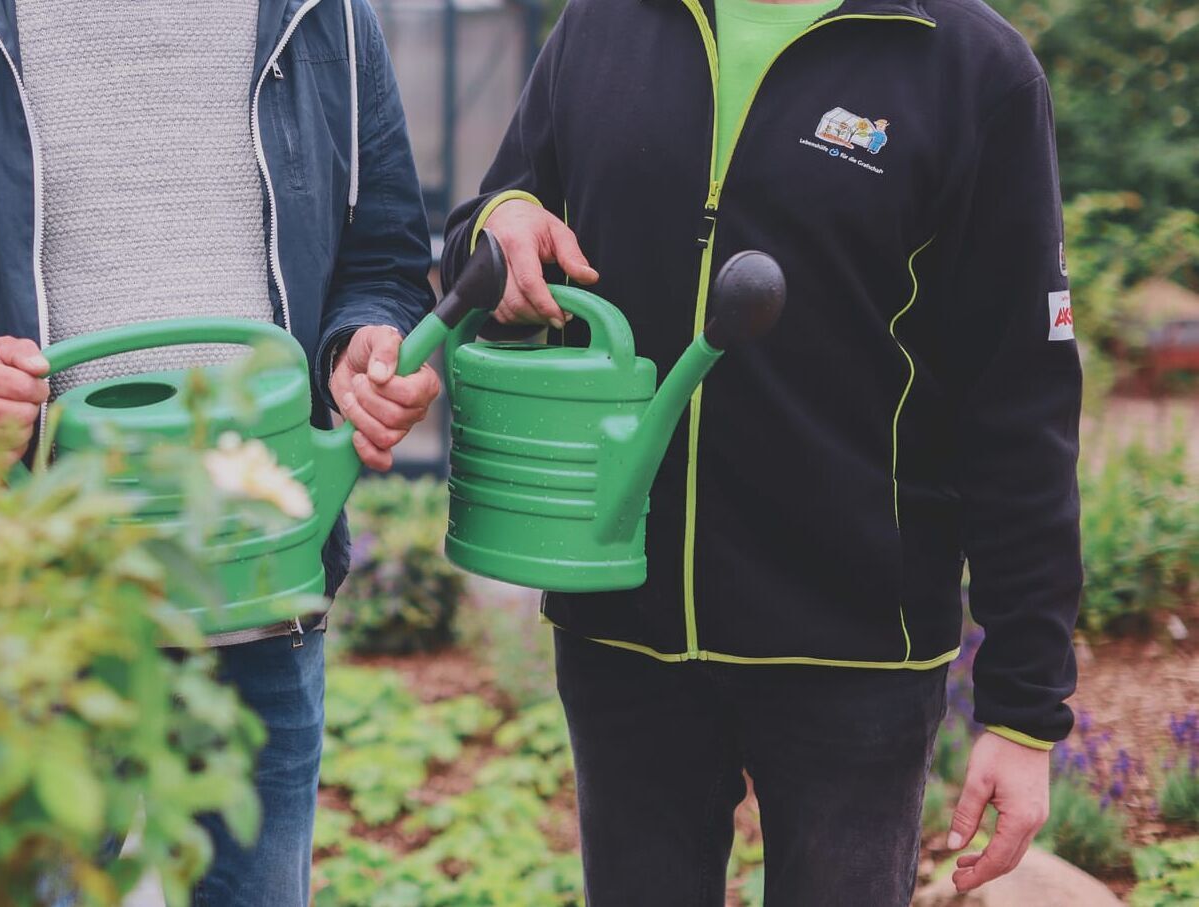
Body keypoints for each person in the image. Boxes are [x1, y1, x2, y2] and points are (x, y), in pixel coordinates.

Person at [0, 1, 439, 904]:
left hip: (259, 589)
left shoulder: (324, 13)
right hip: (34, 608)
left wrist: (365, 340)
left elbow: (384, 260)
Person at [442, 0, 1080, 903]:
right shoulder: (604, 24)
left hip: (856, 655)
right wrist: (499, 223)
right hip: (624, 630)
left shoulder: (970, 66)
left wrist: (1023, 712)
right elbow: (491, 218)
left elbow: (1022, 400)